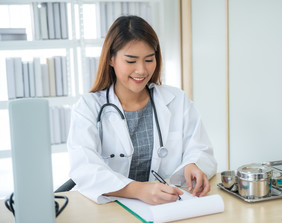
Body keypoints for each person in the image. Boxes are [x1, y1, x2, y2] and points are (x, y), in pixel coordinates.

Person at [67, 15, 217, 205]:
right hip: (111, 209)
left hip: (167, 207)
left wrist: (193, 164)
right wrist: (137, 190)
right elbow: (84, 168)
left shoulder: (176, 100)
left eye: (149, 59)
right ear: (111, 59)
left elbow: (201, 148)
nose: (142, 70)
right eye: (131, 61)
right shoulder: (88, 107)